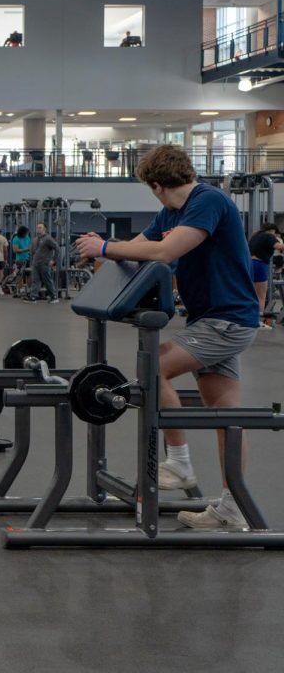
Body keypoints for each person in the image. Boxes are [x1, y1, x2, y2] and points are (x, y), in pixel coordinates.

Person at [75, 145, 261, 529]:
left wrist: (105, 246)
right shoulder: (172, 211)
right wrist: (107, 253)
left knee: (154, 367)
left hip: (226, 321)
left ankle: (178, 463)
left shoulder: (208, 201)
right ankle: (233, 507)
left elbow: (164, 251)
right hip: (212, 319)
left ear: (156, 185)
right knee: (228, 416)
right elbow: (145, 244)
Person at [248, 223, 283, 328]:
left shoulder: (254, 236)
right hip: (259, 265)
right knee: (260, 296)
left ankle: (249, 319)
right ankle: (257, 321)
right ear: (272, 230)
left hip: (248, 265)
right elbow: (280, 247)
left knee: (251, 295)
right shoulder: (269, 236)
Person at [26, 222, 59, 303]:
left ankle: (54, 297)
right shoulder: (35, 239)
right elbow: (33, 250)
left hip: (45, 263)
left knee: (47, 280)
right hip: (36, 263)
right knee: (35, 280)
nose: (38, 229)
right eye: (37, 227)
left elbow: (57, 248)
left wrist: (53, 260)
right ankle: (33, 297)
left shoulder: (48, 238)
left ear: (44, 229)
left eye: (40, 227)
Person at [10, 225, 32, 294]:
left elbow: (30, 246)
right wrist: (27, 249)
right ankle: (20, 289)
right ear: (22, 233)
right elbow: (15, 250)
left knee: (29, 274)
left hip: (28, 258)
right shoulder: (16, 238)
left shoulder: (27, 237)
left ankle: (29, 289)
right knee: (20, 275)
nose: (27, 234)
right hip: (20, 260)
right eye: (26, 233)